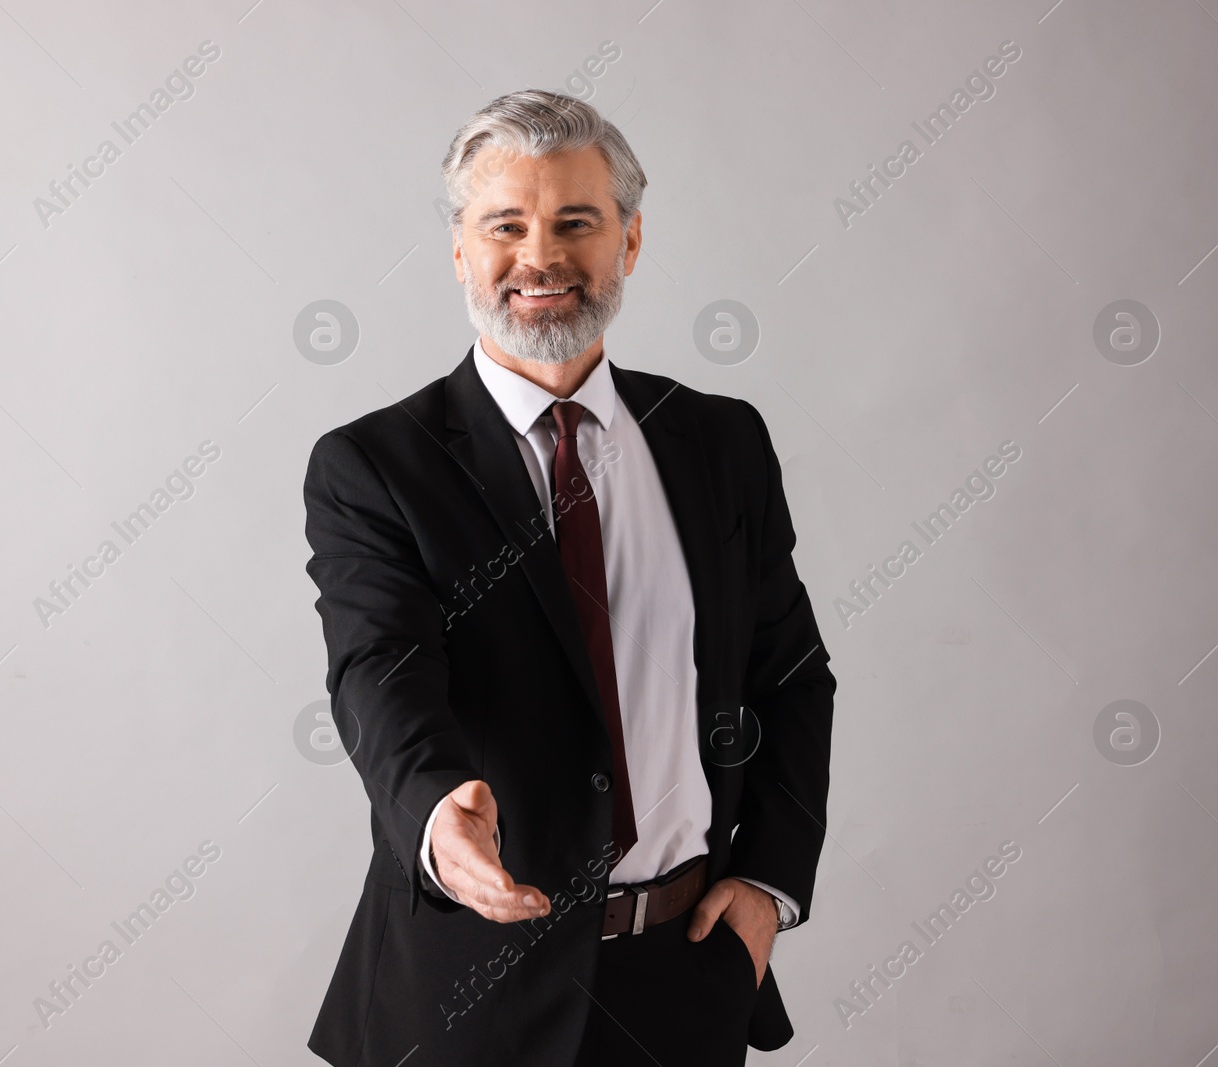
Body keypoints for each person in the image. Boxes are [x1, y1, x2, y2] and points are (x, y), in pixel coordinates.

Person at [303, 88, 835, 1066]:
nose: (539, 256)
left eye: (575, 222)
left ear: (628, 244)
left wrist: (768, 882)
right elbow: (379, 668)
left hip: (687, 979)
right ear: (461, 250)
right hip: (469, 990)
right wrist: (431, 804)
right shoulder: (376, 465)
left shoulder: (719, 440)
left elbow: (789, 674)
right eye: (505, 224)